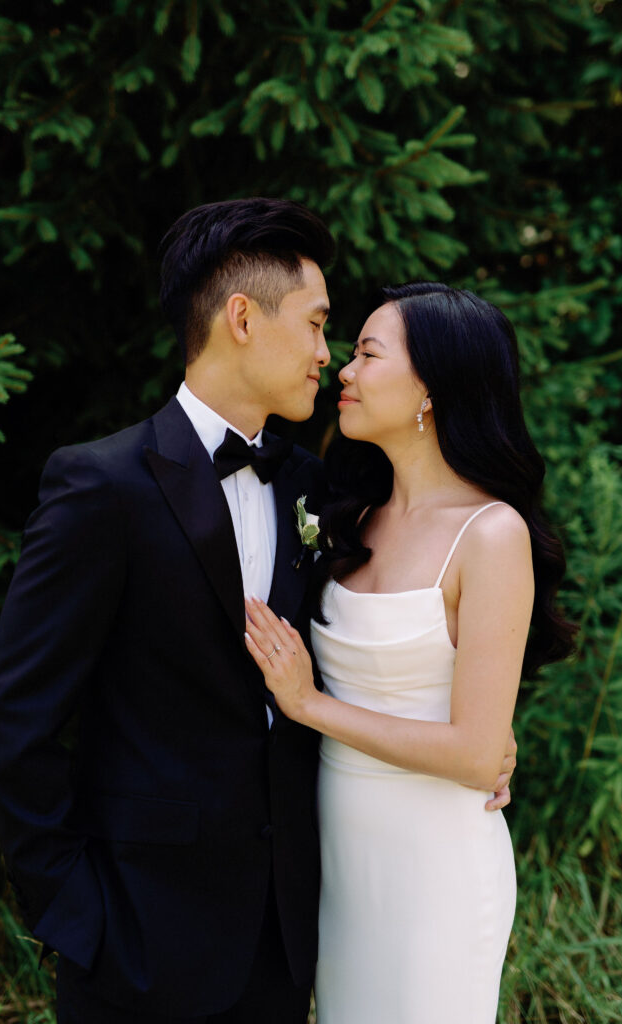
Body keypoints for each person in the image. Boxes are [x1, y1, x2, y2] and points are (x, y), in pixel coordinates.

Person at [0, 197, 337, 1024]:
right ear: (242, 318)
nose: (326, 352)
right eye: (315, 325)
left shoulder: (307, 488)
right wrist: (75, 915)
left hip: (279, 946)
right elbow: (14, 719)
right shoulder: (102, 485)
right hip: (134, 942)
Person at [244, 283, 575, 1023]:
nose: (343, 370)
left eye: (366, 352)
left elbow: (470, 753)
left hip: (435, 864)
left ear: (431, 386)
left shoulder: (489, 535)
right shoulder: (347, 514)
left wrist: (309, 705)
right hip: (335, 853)